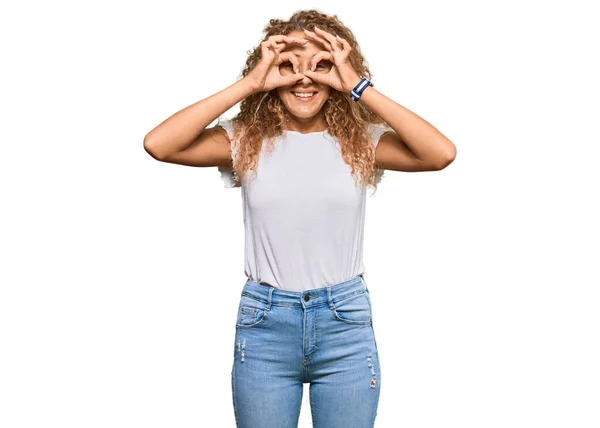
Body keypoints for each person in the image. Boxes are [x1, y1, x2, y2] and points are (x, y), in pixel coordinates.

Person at [144, 9, 456, 428]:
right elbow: (159, 144)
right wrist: (249, 84)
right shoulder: (246, 141)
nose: (305, 79)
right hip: (265, 321)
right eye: (288, 65)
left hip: (343, 321)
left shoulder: (362, 143)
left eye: (321, 65)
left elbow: (441, 154)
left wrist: (357, 86)